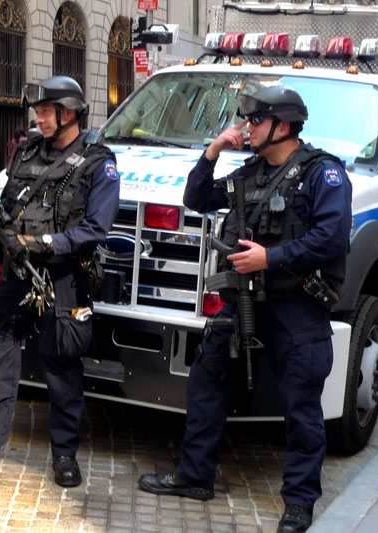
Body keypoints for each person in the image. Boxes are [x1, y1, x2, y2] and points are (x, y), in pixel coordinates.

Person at [137, 86, 352, 533]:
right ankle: (195, 477)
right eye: (249, 122)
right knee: (206, 383)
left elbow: (331, 238)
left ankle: (299, 504)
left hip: (296, 309)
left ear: (284, 125)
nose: (248, 128)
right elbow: (196, 199)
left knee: (302, 409)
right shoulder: (251, 173)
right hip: (243, 304)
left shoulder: (322, 175)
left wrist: (268, 259)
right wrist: (214, 150)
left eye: (257, 121)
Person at [0, 76, 120, 488]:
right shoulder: (24, 153)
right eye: (36, 111)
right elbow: (5, 205)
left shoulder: (97, 162)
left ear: (69, 112)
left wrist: (40, 243)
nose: (37, 118)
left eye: (45, 111)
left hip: (64, 276)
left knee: (62, 366)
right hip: (19, 276)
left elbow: (95, 230)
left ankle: (65, 455)